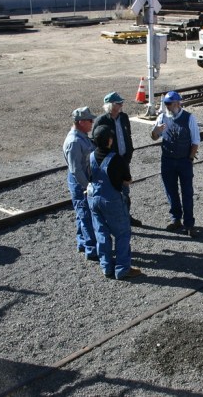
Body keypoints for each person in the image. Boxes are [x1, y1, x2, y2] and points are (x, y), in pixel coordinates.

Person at [87, 125, 142, 280]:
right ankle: (122, 268)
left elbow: (89, 177)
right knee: (122, 233)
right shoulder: (116, 159)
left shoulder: (90, 157)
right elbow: (127, 180)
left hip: (94, 199)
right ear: (109, 140)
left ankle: (106, 267)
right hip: (111, 200)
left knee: (101, 233)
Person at [150, 91, 200, 237]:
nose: (166, 106)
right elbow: (154, 137)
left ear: (178, 104)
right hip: (167, 160)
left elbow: (195, 141)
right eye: (165, 103)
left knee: (187, 193)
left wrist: (190, 159)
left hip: (184, 161)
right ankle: (176, 219)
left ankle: (189, 223)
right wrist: (155, 131)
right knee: (170, 191)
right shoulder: (162, 117)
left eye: (169, 103)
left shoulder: (189, 118)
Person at [92, 91, 142, 227]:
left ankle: (126, 217)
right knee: (112, 192)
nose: (122, 105)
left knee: (125, 191)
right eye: (119, 103)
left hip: (124, 161)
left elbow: (128, 135)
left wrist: (129, 153)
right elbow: (96, 142)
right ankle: (112, 220)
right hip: (109, 164)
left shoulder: (124, 117)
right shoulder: (101, 121)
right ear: (111, 105)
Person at [62, 106, 98, 260]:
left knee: (82, 214)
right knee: (86, 215)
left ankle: (82, 243)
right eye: (90, 120)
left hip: (82, 180)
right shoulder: (74, 141)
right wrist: (87, 186)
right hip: (81, 183)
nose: (92, 123)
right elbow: (76, 169)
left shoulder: (81, 137)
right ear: (81, 122)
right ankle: (92, 249)